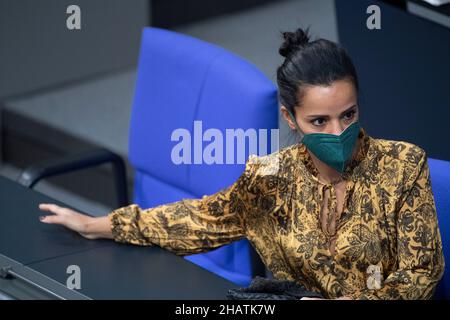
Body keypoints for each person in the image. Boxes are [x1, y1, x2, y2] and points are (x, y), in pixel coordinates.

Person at [38, 27, 445, 300]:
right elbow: (198, 220)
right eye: (319, 121)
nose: (338, 131)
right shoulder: (269, 180)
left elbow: (421, 274)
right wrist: (100, 224)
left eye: (348, 115)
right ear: (291, 119)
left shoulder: (404, 167)